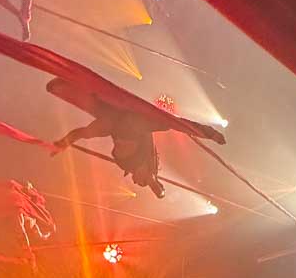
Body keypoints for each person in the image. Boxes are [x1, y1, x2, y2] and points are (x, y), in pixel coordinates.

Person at [49, 77, 225, 200]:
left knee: (97, 118)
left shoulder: (114, 136)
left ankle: (65, 85)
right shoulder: (142, 128)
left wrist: (62, 144)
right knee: (168, 123)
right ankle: (67, 85)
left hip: (115, 120)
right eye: (142, 179)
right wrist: (211, 134)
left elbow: (80, 133)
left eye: (137, 180)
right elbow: (180, 124)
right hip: (128, 122)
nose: (137, 179)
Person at [0, 179, 54, 269]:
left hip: (15, 208)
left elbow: (11, 186)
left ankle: (29, 254)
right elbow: (10, 184)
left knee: (22, 231)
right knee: (23, 230)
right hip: (14, 210)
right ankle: (29, 251)